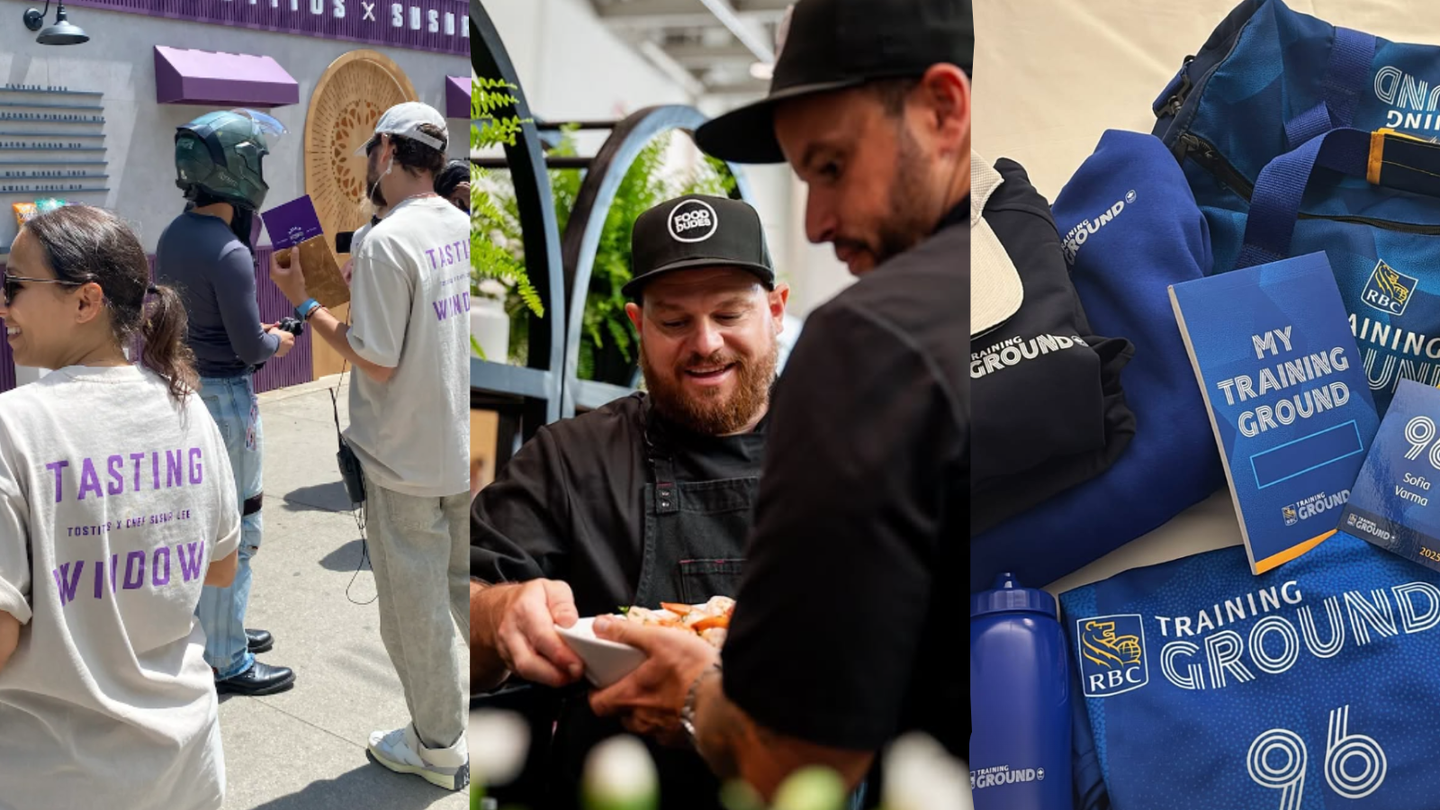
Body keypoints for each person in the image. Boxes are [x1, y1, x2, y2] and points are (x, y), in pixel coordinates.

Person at [586, 0, 969, 804]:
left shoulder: (870, 343)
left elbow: (795, 763)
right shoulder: (1030, 265)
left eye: (830, 167)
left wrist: (693, 692)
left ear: (944, 109)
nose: (820, 221)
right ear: (637, 325)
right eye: (673, 317)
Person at [470, 194, 790, 810]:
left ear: (775, 312)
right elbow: (463, 598)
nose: (705, 343)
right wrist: (500, 611)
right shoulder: (568, 458)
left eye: (729, 313)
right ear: (637, 324)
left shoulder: (846, 454)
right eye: (673, 322)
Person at [0, 204, 243, 809]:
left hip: (55, 777)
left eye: (14, 286)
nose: (3, 306)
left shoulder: (15, 428)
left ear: (86, 300)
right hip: (187, 762)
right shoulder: (187, 406)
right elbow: (220, 567)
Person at [269, 101, 472, 792]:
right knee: (464, 595)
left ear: (385, 150)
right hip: (460, 448)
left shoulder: (388, 241)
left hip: (404, 457)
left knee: (415, 617)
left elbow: (374, 358)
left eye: (368, 155)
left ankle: (439, 745)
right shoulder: (458, 226)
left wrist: (303, 303)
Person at [156, 108, 296, 696]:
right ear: (239, 168)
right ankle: (227, 658)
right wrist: (280, 338)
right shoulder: (231, 251)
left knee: (201, 522)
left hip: (186, 390)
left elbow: (198, 321)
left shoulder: (173, 234)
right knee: (239, 527)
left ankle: (219, 628)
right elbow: (250, 347)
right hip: (230, 400)